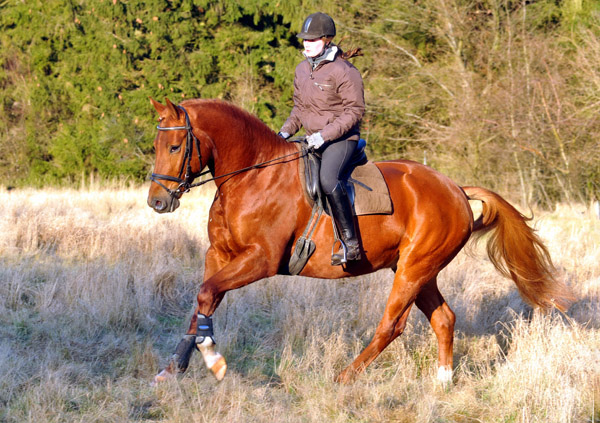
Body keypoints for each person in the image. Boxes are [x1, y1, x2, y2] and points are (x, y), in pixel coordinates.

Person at [278, 12, 365, 265]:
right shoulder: (302, 69)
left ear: (327, 40)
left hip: (341, 140)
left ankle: (351, 245)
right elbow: (298, 109)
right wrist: (284, 132)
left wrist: (324, 136)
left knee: (328, 180)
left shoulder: (345, 71)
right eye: (304, 39)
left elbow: (354, 112)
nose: (306, 43)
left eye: (313, 39)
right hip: (310, 139)